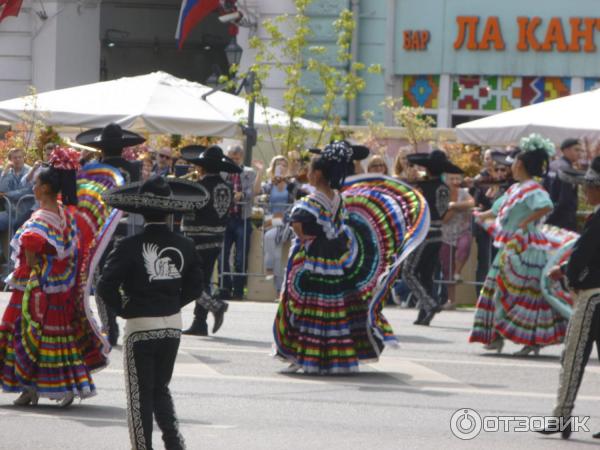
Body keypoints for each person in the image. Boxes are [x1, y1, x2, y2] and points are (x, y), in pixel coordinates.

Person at [274, 141, 430, 374]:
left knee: (306, 306)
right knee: (332, 306)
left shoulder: (311, 201)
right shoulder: (338, 198)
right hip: (334, 260)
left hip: (313, 258)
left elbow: (300, 228)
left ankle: (302, 356)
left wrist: (307, 239)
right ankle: (329, 357)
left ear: (317, 174)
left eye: (309, 170)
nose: (306, 173)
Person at [0, 147, 120, 407]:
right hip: (56, 287)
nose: (32, 187)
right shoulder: (67, 214)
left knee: (23, 334)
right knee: (54, 338)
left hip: (34, 287)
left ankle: (30, 386)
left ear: (43, 188)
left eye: (36, 184)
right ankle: (41, 387)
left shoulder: (41, 217)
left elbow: (32, 253)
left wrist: (32, 263)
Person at [97, 176, 207, 450]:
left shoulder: (129, 245)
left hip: (140, 323)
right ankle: (173, 442)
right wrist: (172, 302)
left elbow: (104, 285)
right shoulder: (185, 245)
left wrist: (123, 309)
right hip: (171, 324)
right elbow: (196, 287)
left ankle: (143, 447)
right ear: (169, 210)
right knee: (161, 388)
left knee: (139, 396)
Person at [470, 134, 578, 356]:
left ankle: (531, 340)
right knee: (498, 287)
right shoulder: (515, 188)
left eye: (515, 162)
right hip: (512, 245)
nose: (512, 166)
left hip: (526, 246)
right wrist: (481, 215)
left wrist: (524, 223)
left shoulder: (533, 188)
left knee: (524, 293)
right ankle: (496, 335)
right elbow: (498, 210)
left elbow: (546, 206)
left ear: (521, 164)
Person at [537, 157, 600, 439]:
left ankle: (562, 415)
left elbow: (583, 255)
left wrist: (570, 276)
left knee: (573, 356)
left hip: (593, 295)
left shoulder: (597, 217)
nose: (585, 192)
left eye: (588, 186)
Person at [76, 123, 145, 346]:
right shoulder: (133, 168)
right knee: (124, 277)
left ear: (102, 148)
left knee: (101, 277)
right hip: (127, 227)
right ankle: (126, 320)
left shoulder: (94, 169)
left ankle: (109, 325)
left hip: (102, 228)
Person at [180, 145, 239, 336]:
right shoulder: (228, 187)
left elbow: (187, 209)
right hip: (217, 240)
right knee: (203, 280)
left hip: (197, 239)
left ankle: (215, 306)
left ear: (202, 167)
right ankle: (200, 322)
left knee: (190, 281)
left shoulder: (200, 187)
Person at [402, 150, 464, 326]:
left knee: (408, 272)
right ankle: (424, 313)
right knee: (426, 274)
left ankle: (429, 303)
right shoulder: (444, 188)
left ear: (427, 169)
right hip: (438, 234)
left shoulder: (420, 187)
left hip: (423, 233)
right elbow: (443, 212)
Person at [258, 156, 301, 295]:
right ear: (273, 167)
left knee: (269, 237)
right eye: (278, 165)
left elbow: (298, 199)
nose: (281, 167)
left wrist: (291, 175)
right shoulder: (269, 184)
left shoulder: (291, 185)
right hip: (270, 221)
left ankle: (269, 269)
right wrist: (259, 172)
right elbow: (256, 192)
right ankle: (278, 289)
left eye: (284, 165)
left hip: (286, 222)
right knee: (275, 252)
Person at [219, 145, 257, 300]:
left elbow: (253, 192)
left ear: (241, 157)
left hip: (242, 219)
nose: (234, 161)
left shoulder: (249, 172)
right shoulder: (221, 171)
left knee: (241, 257)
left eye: (236, 158)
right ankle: (225, 288)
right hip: (226, 219)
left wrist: (243, 195)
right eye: (231, 158)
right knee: (223, 255)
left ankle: (239, 290)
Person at [440, 172, 474, 309]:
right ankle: (451, 299)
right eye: (451, 178)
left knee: (464, 247)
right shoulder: (442, 194)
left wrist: (453, 205)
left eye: (457, 178)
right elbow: (445, 218)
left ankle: (457, 273)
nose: (454, 181)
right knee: (446, 265)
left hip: (462, 230)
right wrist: (458, 208)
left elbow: (471, 203)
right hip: (446, 234)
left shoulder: (463, 192)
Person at [544, 138, 583, 231]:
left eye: (580, 150)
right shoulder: (566, 169)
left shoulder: (553, 164)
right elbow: (564, 200)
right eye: (576, 150)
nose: (579, 153)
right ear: (566, 150)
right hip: (563, 219)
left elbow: (544, 187)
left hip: (549, 212)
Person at [0, 148, 33, 234]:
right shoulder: (8, 172)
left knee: (16, 229)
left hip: (25, 214)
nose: (18, 159)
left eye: (20, 157)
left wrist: (7, 194)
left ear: (23, 158)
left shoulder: (31, 171)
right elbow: (1, 189)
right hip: (11, 213)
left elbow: (26, 191)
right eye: (15, 158)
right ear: (10, 160)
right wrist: (5, 172)